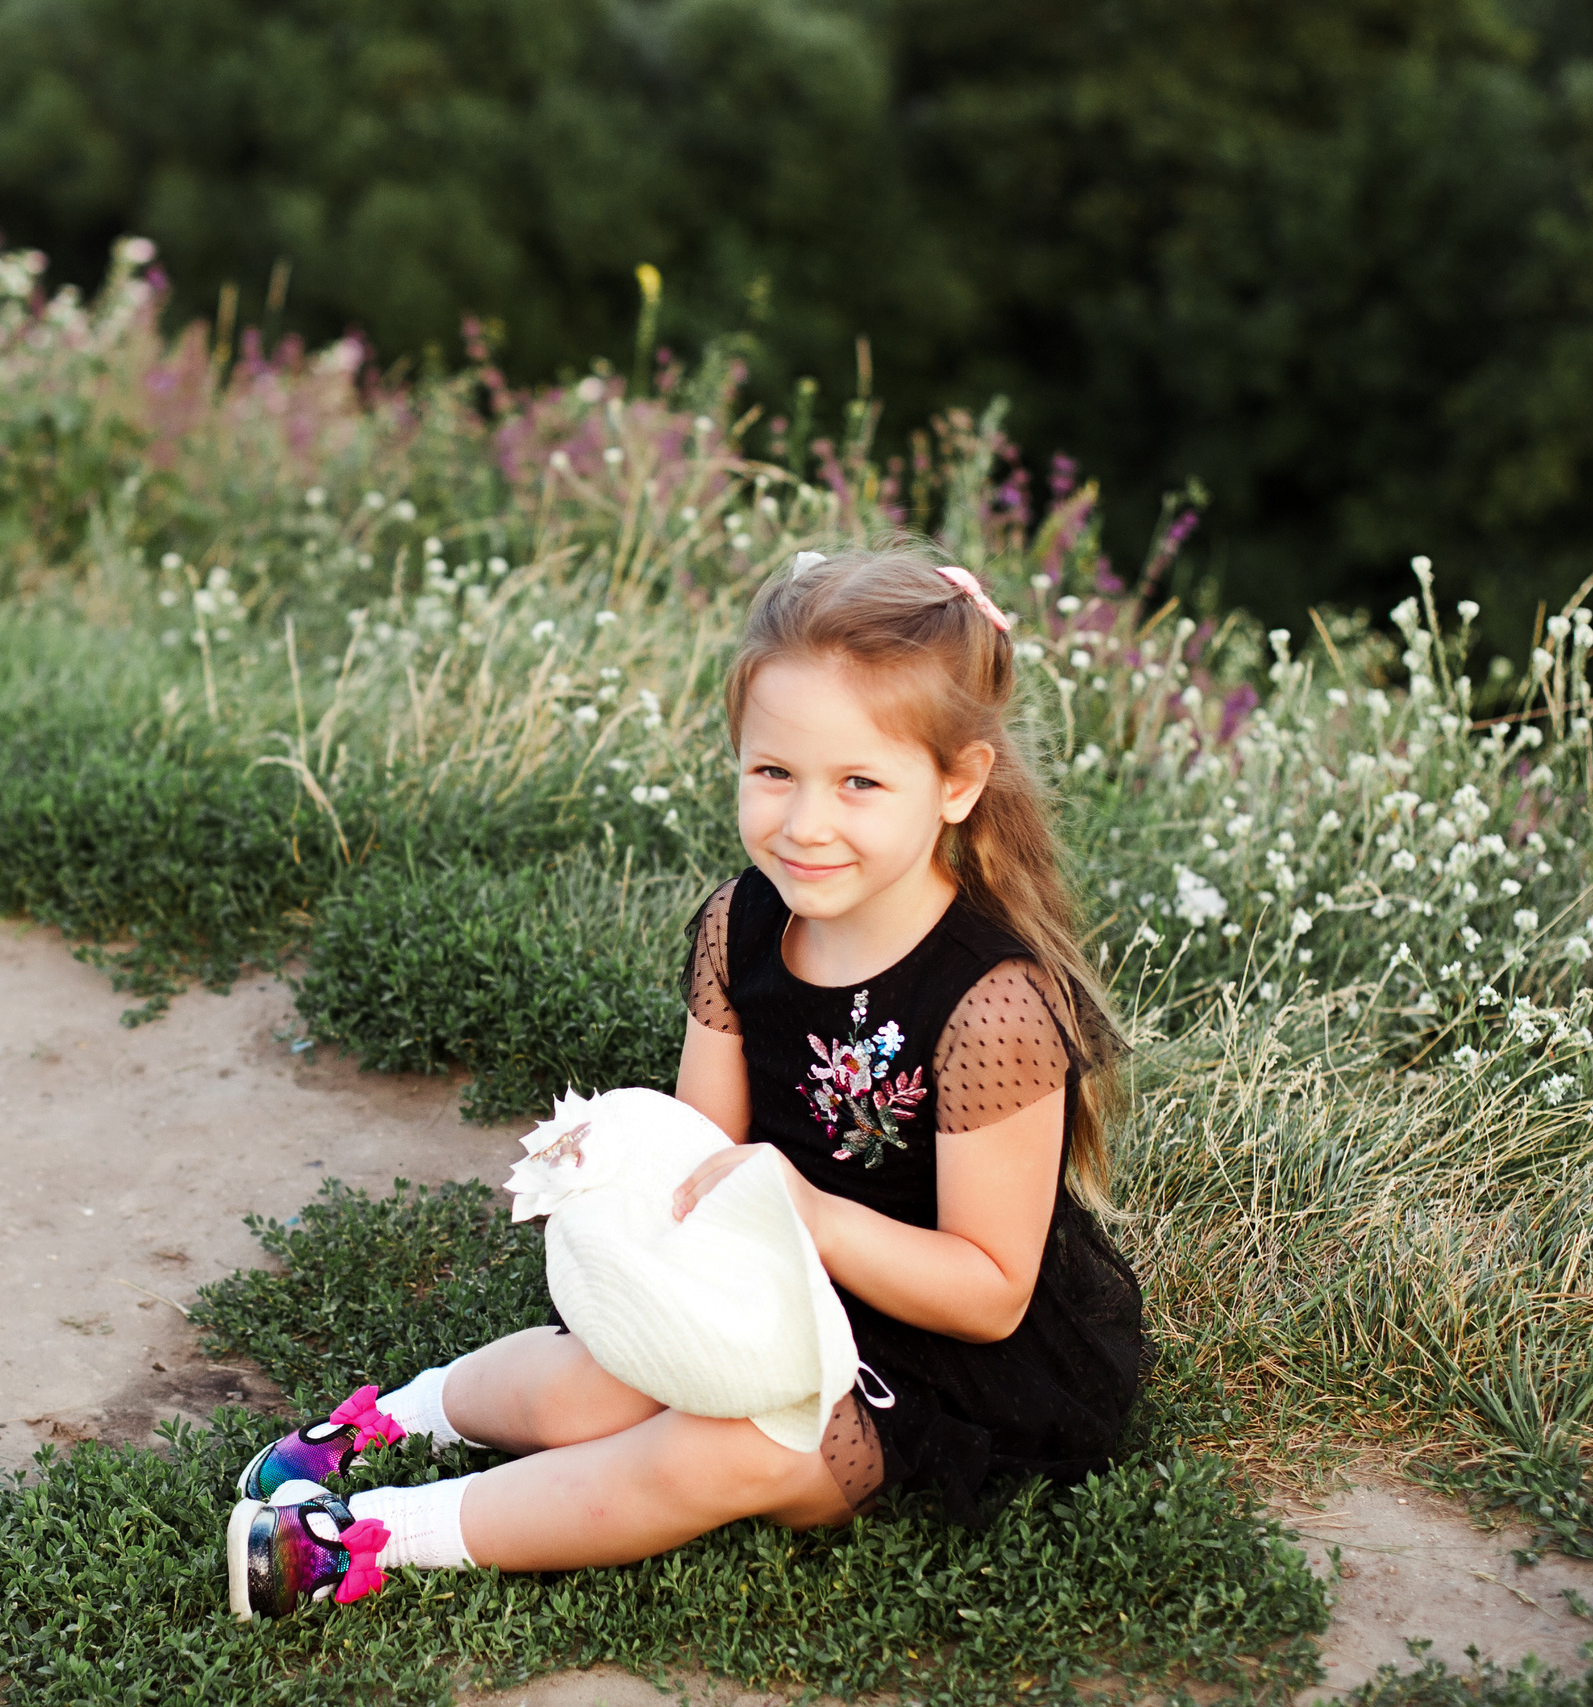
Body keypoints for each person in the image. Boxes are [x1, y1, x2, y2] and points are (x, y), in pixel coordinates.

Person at [227, 540, 1145, 1620]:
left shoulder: (993, 1003)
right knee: (600, 1379)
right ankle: (393, 1419)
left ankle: (365, 1543)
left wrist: (809, 1217)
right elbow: (696, 1150)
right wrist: (623, 1179)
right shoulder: (739, 924)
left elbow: (989, 1293)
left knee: (730, 1448)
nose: (805, 824)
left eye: (859, 782)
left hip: (928, 1342)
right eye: (773, 773)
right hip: (759, 1273)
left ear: (957, 783)